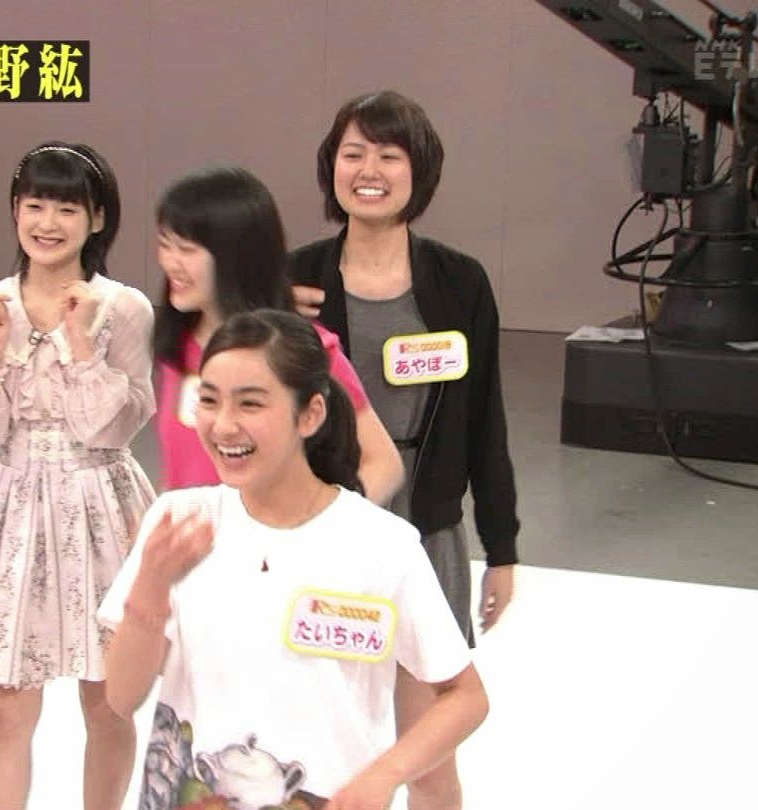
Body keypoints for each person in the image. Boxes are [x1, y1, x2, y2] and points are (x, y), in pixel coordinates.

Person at [102, 310, 489, 810]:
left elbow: (465, 696)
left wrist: (384, 776)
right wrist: (149, 591)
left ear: (310, 414)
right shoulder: (178, 520)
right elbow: (121, 698)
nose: (223, 425)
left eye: (250, 403)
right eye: (209, 400)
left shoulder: (383, 544)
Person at [289, 90, 521, 809]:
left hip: (425, 533)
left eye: (389, 155)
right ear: (331, 165)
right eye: (353, 153)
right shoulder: (295, 278)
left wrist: (502, 548)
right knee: (319, 756)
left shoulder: (459, 281)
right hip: (320, 538)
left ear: (419, 172)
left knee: (427, 760)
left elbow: (485, 419)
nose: (370, 170)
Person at [0, 141, 155, 810]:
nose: (48, 223)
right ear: (14, 210)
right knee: (8, 706)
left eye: (67, 208)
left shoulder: (123, 307)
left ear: (97, 219)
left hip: (102, 504)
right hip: (16, 504)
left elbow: (112, 428)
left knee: (108, 700)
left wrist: (83, 344)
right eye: (35, 205)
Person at [152, 166, 403, 501]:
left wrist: (322, 524)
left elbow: (384, 463)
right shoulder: (178, 345)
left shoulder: (304, 349)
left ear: (235, 256)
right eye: (165, 244)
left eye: (186, 249)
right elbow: (180, 472)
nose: (170, 263)